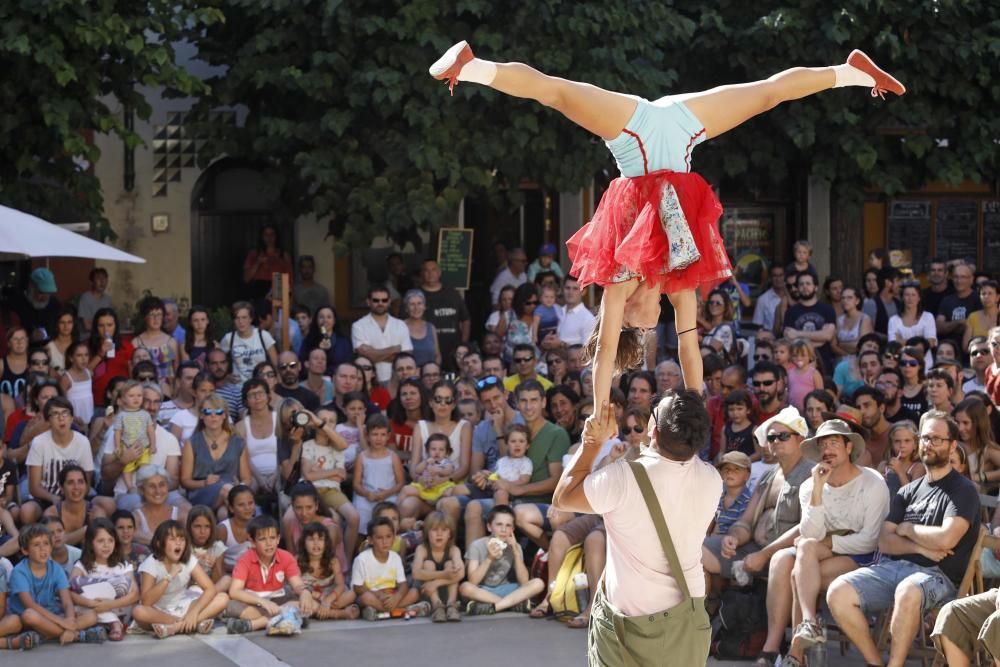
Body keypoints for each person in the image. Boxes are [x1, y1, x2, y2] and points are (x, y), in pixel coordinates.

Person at [435, 42, 903, 412]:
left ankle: (473, 66)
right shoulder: (678, 286)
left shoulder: (618, 284)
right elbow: (691, 354)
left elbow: (602, 360)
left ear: (622, 325)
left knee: (555, 91)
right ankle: (853, 73)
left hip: (633, 129)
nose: (647, 325)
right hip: (680, 128)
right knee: (767, 94)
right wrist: (696, 405)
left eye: (638, 330)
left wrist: (600, 410)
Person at [551, 388, 721, 663]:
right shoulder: (712, 478)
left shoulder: (623, 477)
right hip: (685, 620)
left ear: (653, 433)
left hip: (626, 625)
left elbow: (563, 497)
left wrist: (591, 443)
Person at [827, 410, 980, 667]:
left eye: (937, 439)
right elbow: (885, 542)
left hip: (939, 576)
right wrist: (922, 545)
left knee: (908, 590)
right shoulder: (908, 490)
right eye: (925, 438)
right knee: (837, 592)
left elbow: (946, 538)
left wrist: (908, 529)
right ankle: (876, 662)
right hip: (895, 568)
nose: (928, 444)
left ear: (953, 444)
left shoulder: (963, 489)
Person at [766, 420, 889, 667]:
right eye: (823, 445)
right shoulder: (811, 485)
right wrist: (818, 491)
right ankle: (809, 624)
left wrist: (830, 543)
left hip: (861, 554)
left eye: (834, 443)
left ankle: (796, 654)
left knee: (797, 576)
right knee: (799, 551)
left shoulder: (872, 482)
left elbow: (870, 540)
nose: (827, 450)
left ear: (848, 447)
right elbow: (811, 533)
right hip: (817, 551)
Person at [8, 523, 105, 645]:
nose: (43, 549)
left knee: (91, 615)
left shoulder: (56, 569)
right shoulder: (19, 572)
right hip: (29, 618)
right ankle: (78, 636)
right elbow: (30, 605)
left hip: (52, 614)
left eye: (46, 544)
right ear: (25, 550)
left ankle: (49, 634)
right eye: (36, 545)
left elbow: (66, 601)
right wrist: (61, 622)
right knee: (29, 615)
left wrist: (69, 620)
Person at [132, 519, 228, 638]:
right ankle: (193, 624)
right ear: (159, 543)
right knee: (139, 611)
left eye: (182, 539)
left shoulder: (188, 559)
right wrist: (169, 576)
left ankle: (177, 627)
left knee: (223, 598)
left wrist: (193, 613)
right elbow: (146, 601)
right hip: (159, 611)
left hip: (183, 606)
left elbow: (210, 589)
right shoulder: (151, 563)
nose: (178, 543)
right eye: (172, 539)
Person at [224, 514, 318, 634]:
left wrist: (305, 592)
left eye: (272, 538)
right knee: (236, 608)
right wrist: (262, 602)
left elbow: (297, 585)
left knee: (312, 605)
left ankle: (254, 624)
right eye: (262, 539)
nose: (269, 543)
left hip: (278, 599)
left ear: (278, 539)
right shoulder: (245, 559)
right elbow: (235, 591)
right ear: (252, 541)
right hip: (252, 601)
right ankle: (289, 617)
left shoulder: (286, 557)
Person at [21, 397, 95, 526]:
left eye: (65, 413)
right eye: (55, 414)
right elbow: (34, 487)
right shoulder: (39, 442)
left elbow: (87, 482)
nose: (61, 418)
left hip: (76, 496)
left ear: (72, 418)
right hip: (46, 497)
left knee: (106, 504)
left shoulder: (83, 442)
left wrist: (72, 500)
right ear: (48, 421)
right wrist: (54, 498)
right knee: (27, 511)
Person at [459, 504, 544, 615]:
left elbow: (524, 581)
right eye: (499, 524)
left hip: (507, 589)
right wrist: (489, 558)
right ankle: (512, 605)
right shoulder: (477, 545)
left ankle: (494, 607)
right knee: (465, 588)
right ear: (489, 527)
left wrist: (515, 552)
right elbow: (473, 581)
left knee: (538, 583)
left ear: (513, 529)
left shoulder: (515, 546)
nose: (503, 529)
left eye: (508, 525)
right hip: (484, 590)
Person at [67, 518, 139, 642]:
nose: (106, 545)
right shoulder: (82, 565)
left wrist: (109, 605)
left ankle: (114, 623)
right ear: (90, 543)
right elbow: (69, 592)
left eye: (110, 540)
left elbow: (135, 594)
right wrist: (91, 604)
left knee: (123, 583)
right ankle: (110, 625)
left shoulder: (123, 565)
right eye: (101, 541)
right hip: (94, 609)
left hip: (118, 609)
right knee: (76, 593)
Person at [180, 393, 251, 510]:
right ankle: (249, 517)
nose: (214, 416)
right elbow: (185, 481)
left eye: (218, 411)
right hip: (202, 492)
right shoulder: (191, 443)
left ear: (225, 415)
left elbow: (247, 478)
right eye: (208, 411)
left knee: (224, 513)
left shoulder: (238, 442)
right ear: (201, 415)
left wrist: (240, 487)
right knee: (227, 490)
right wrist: (204, 483)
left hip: (231, 493)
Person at [352, 515, 429, 620]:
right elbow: (358, 587)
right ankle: (404, 610)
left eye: (388, 536)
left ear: (394, 538)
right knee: (365, 598)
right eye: (379, 538)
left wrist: (396, 597)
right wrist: (378, 594)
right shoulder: (361, 559)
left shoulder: (395, 557)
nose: (385, 542)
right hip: (373, 595)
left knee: (414, 593)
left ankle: (380, 612)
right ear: (370, 540)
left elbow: (403, 585)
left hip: (391, 595)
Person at [353, 414, 406, 535]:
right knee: (361, 510)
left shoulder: (393, 456)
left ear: (388, 436)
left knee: (389, 512)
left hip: (388, 496)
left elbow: (400, 483)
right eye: (375, 434)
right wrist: (367, 494)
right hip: (367, 496)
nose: (378, 438)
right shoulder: (362, 457)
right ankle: (362, 543)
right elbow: (356, 484)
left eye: (382, 435)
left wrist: (386, 493)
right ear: (367, 436)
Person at [351, 286, 413, 385]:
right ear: (368, 302)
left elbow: (406, 355)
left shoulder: (401, 325)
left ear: (389, 302)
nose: (380, 303)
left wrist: (374, 353)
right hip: (370, 381)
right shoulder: (358, 326)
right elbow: (364, 357)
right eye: (376, 300)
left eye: (384, 300)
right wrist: (393, 349)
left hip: (397, 381)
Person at [297, 522, 359, 620]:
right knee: (302, 603)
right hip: (311, 596)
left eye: (320, 539)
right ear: (303, 543)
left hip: (330, 596)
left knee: (352, 594)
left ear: (326, 543)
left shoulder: (333, 562)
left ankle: (323, 611)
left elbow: (340, 585)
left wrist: (328, 600)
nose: (316, 543)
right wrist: (319, 597)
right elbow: (297, 587)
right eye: (311, 539)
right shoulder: (297, 561)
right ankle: (339, 613)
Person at [411, 511, 464, 623]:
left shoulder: (453, 550)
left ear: (450, 534)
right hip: (428, 592)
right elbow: (416, 573)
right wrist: (444, 574)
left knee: (450, 565)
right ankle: (437, 606)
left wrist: (436, 582)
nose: (439, 534)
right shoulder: (422, 549)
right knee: (428, 564)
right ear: (427, 533)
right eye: (435, 530)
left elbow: (461, 573)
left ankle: (451, 605)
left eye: (444, 530)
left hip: (445, 591)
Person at [419, 259, 470, 362]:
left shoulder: (453, 293)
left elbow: (465, 319)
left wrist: (463, 343)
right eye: (426, 270)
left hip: (453, 349)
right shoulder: (416, 295)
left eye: (433, 270)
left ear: (439, 272)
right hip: (428, 350)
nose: (430, 273)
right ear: (422, 274)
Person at [113, 380, 156, 494]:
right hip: (127, 447)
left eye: (139, 395)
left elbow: (151, 431)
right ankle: (130, 487)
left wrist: (153, 445)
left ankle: (143, 487)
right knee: (127, 469)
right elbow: (117, 432)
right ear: (123, 399)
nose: (136, 399)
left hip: (144, 447)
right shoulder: (121, 416)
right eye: (131, 396)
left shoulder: (145, 414)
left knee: (145, 468)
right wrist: (117, 446)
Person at [132, 296, 180, 382]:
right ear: (145, 317)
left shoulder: (171, 342)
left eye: (159, 314)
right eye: (152, 314)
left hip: (166, 391)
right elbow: (132, 372)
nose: (156, 318)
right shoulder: (136, 342)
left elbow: (177, 372)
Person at [243, 223, 293, 299]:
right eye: (266, 235)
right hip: (258, 292)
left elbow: (290, 280)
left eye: (272, 234)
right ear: (262, 237)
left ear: (276, 236)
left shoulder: (284, 255)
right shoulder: (254, 254)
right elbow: (246, 278)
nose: (269, 238)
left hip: (278, 290)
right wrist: (258, 262)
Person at [299, 305, 352, 375]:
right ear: (316, 320)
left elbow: (348, 364)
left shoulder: (343, 342)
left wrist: (329, 351)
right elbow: (303, 364)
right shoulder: (308, 341)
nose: (325, 320)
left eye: (329, 317)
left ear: (334, 321)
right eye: (321, 317)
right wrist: (319, 349)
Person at [937, 261, 980, 347]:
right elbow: (939, 327)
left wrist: (949, 326)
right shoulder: (946, 300)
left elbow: (978, 326)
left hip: (971, 350)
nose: (959, 280)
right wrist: (958, 322)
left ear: (971, 279)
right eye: (956, 277)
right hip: (949, 350)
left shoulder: (978, 299)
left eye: (963, 277)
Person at [712, 451, 753, 537]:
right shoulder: (719, 497)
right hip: (714, 541)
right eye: (726, 469)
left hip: (732, 543)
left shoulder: (748, 501)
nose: (730, 473)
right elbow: (716, 524)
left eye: (736, 469)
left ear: (747, 475)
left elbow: (742, 531)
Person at [878, 420, 925, 495]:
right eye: (897, 441)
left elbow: (912, 496)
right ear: (891, 444)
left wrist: (900, 472)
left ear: (915, 445)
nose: (902, 445)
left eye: (907, 441)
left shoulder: (918, 468)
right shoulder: (884, 466)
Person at [831, 285, 873, 361]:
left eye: (849, 298)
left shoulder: (864, 319)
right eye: (843, 298)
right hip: (841, 360)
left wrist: (841, 344)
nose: (845, 301)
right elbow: (833, 346)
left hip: (859, 360)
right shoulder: (839, 320)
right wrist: (847, 356)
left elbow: (861, 345)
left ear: (857, 301)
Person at [402, 289, 441, 367]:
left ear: (424, 307)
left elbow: (437, 355)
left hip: (430, 376)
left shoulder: (431, 327)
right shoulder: (400, 327)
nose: (416, 308)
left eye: (419, 303)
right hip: (409, 376)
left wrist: (433, 370)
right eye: (412, 304)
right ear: (406, 308)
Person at [556, 276, 596, 347]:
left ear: (583, 292)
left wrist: (560, 344)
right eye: (567, 288)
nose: (570, 292)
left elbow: (586, 352)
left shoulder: (588, 319)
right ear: (563, 289)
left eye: (575, 289)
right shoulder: (558, 311)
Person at [77, 267, 112, 341]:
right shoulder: (86, 298)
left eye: (104, 278)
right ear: (92, 282)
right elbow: (87, 326)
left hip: (104, 338)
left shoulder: (108, 299)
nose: (102, 281)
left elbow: (110, 322)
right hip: (88, 339)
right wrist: (103, 324)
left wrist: (94, 321)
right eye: (98, 278)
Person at [45, 306, 78, 375]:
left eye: (69, 322)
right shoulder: (49, 348)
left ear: (74, 324)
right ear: (57, 324)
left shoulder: (79, 345)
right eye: (62, 322)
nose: (66, 326)